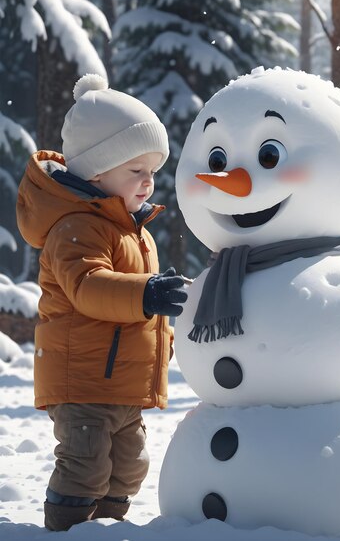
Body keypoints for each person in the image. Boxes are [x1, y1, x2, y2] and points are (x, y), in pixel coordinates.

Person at [16, 74, 187, 531]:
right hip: (83, 379)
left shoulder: (135, 230)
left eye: (153, 171)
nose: (148, 182)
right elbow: (89, 287)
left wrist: (163, 338)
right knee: (85, 465)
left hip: (122, 383)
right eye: (136, 171)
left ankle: (105, 528)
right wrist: (146, 294)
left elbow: (135, 308)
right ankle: (67, 530)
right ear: (96, 170)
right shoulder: (76, 227)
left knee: (129, 468)